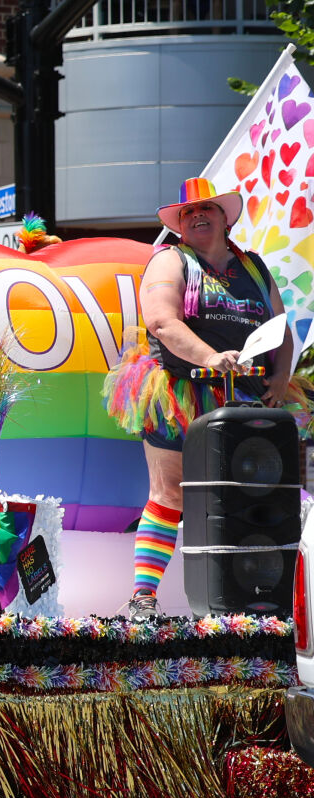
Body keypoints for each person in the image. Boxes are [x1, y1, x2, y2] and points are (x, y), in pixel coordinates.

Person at [119, 178, 297, 618]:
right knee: (169, 494)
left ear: (225, 218)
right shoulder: (170, 260)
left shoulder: (253, 267)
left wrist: (280, 376)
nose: (198, 216)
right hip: (182, 391)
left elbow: (281, 329)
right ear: (180, 224)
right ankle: (144, 595)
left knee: (251, 496)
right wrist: (211, 356)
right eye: (188, 212)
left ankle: (250, 597)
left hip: (248, 397)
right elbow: (162, 322)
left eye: (208, 209)